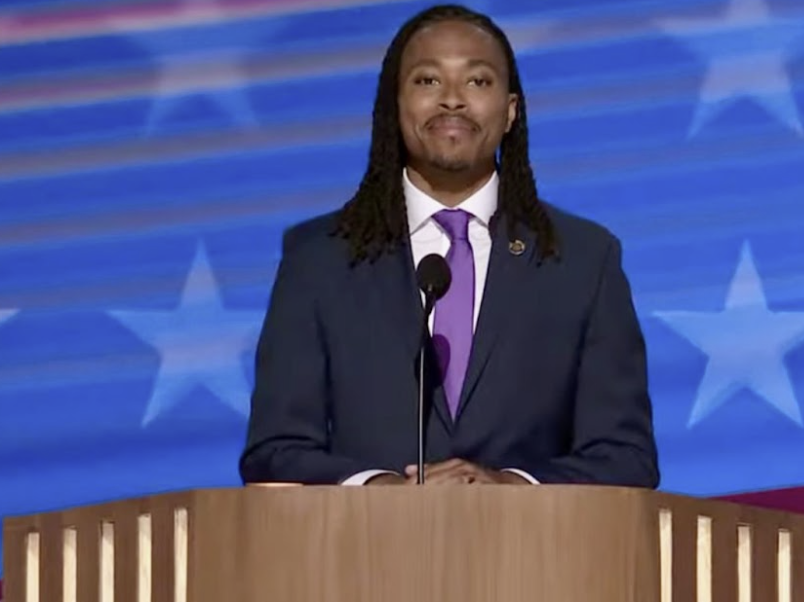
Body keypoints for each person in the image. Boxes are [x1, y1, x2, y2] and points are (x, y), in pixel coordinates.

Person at [239, 4, 658, 487]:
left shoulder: (584, 259)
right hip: (365, 554)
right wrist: (385, 489)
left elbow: (626, 457)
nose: (453, 100)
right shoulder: (319, 258)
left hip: (536, 554)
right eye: (427, 81)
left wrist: (509, 487)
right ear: (394, 107)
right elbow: (275, 451)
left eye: (478, 82)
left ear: (510, 112)